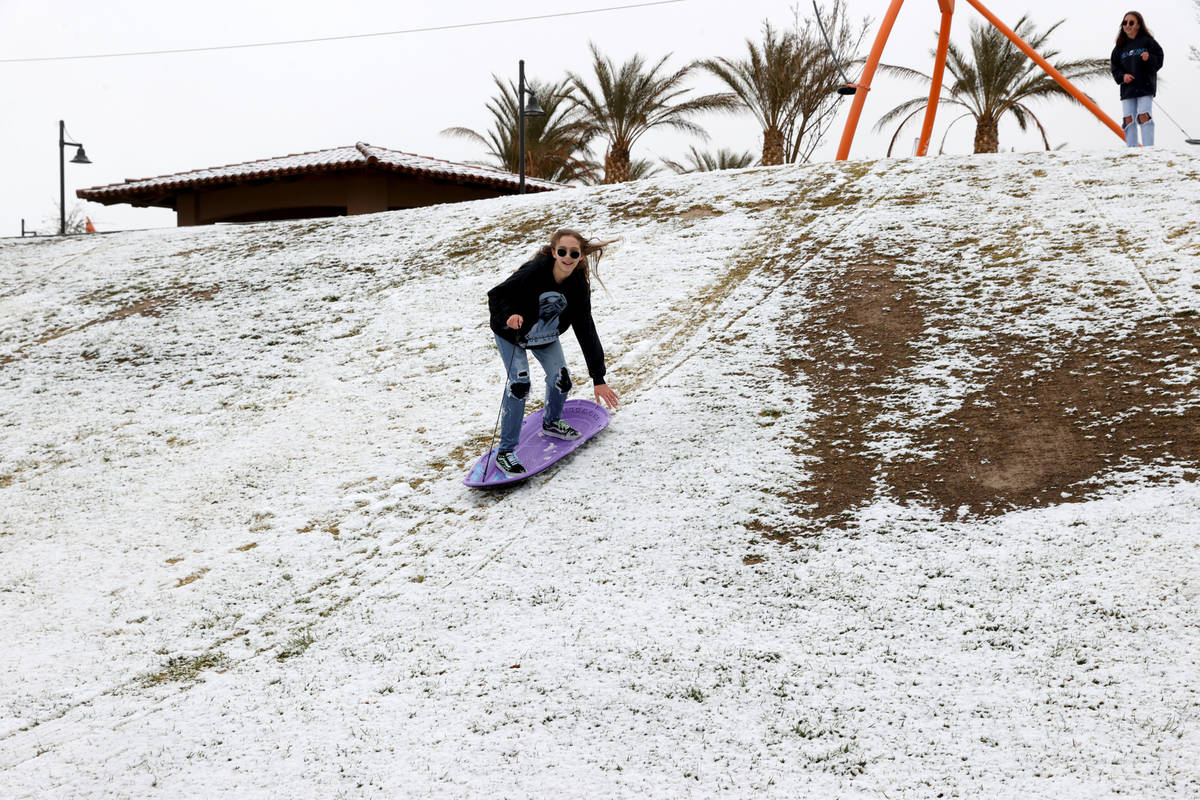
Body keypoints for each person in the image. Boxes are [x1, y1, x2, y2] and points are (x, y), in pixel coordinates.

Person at [486, 229, 621, 475]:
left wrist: (598, 378)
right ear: (553, 252)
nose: (567, 257)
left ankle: (552, 422)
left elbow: (585, 328)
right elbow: (497, 295)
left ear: (580, 256)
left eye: (573, 253)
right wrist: (509, 315)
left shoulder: (578, 285)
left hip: (544, 336)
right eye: (562, 252)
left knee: (562, 379)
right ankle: (505, 452)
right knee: (519, 385)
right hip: (512, 333)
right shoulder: (534, 271)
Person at [1111, 11, 1164, 148]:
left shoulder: (1148, 42)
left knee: (1144, 116)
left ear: (1139, 25)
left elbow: (1159, 59)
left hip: (1145, 87)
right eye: (1125, 22)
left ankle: (1148, 149)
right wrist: (1122, 76)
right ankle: (1131, 149)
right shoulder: (1119, 48)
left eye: (1131, 22)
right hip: (1127, 89)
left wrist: (1149, 58)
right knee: (1128, 119)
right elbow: (1114, 68)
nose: (1127, 25)